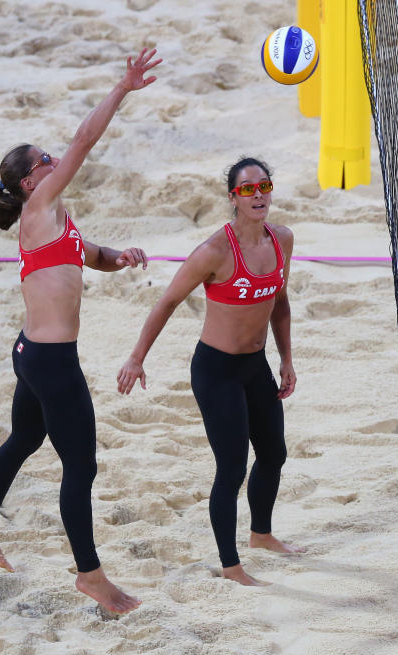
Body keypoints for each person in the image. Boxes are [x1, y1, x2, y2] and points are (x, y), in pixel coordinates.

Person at [0, 48, 163, 614]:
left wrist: (117, 256)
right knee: (82, 467)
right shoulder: (40, 208)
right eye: (47, 160)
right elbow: (84, 140)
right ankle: (92, 578)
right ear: (32, 181)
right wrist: (122, 89)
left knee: (25, 440)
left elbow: (85, 254)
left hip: (32, 354)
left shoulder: (58, 217)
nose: (58, 161)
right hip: (51, 362)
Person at [116, 157, 302, 586]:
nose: (258, 195)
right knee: (232, 468)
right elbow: (166, 302)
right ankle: (231, 565)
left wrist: (286, 358)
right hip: (216, 370)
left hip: (256, 365)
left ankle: (261, 534)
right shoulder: (213, 251)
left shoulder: (283, 239)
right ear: (233, 198)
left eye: (264, 186)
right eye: (247, 189)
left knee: (274, 453)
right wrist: (136, 357)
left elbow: (281, 302)